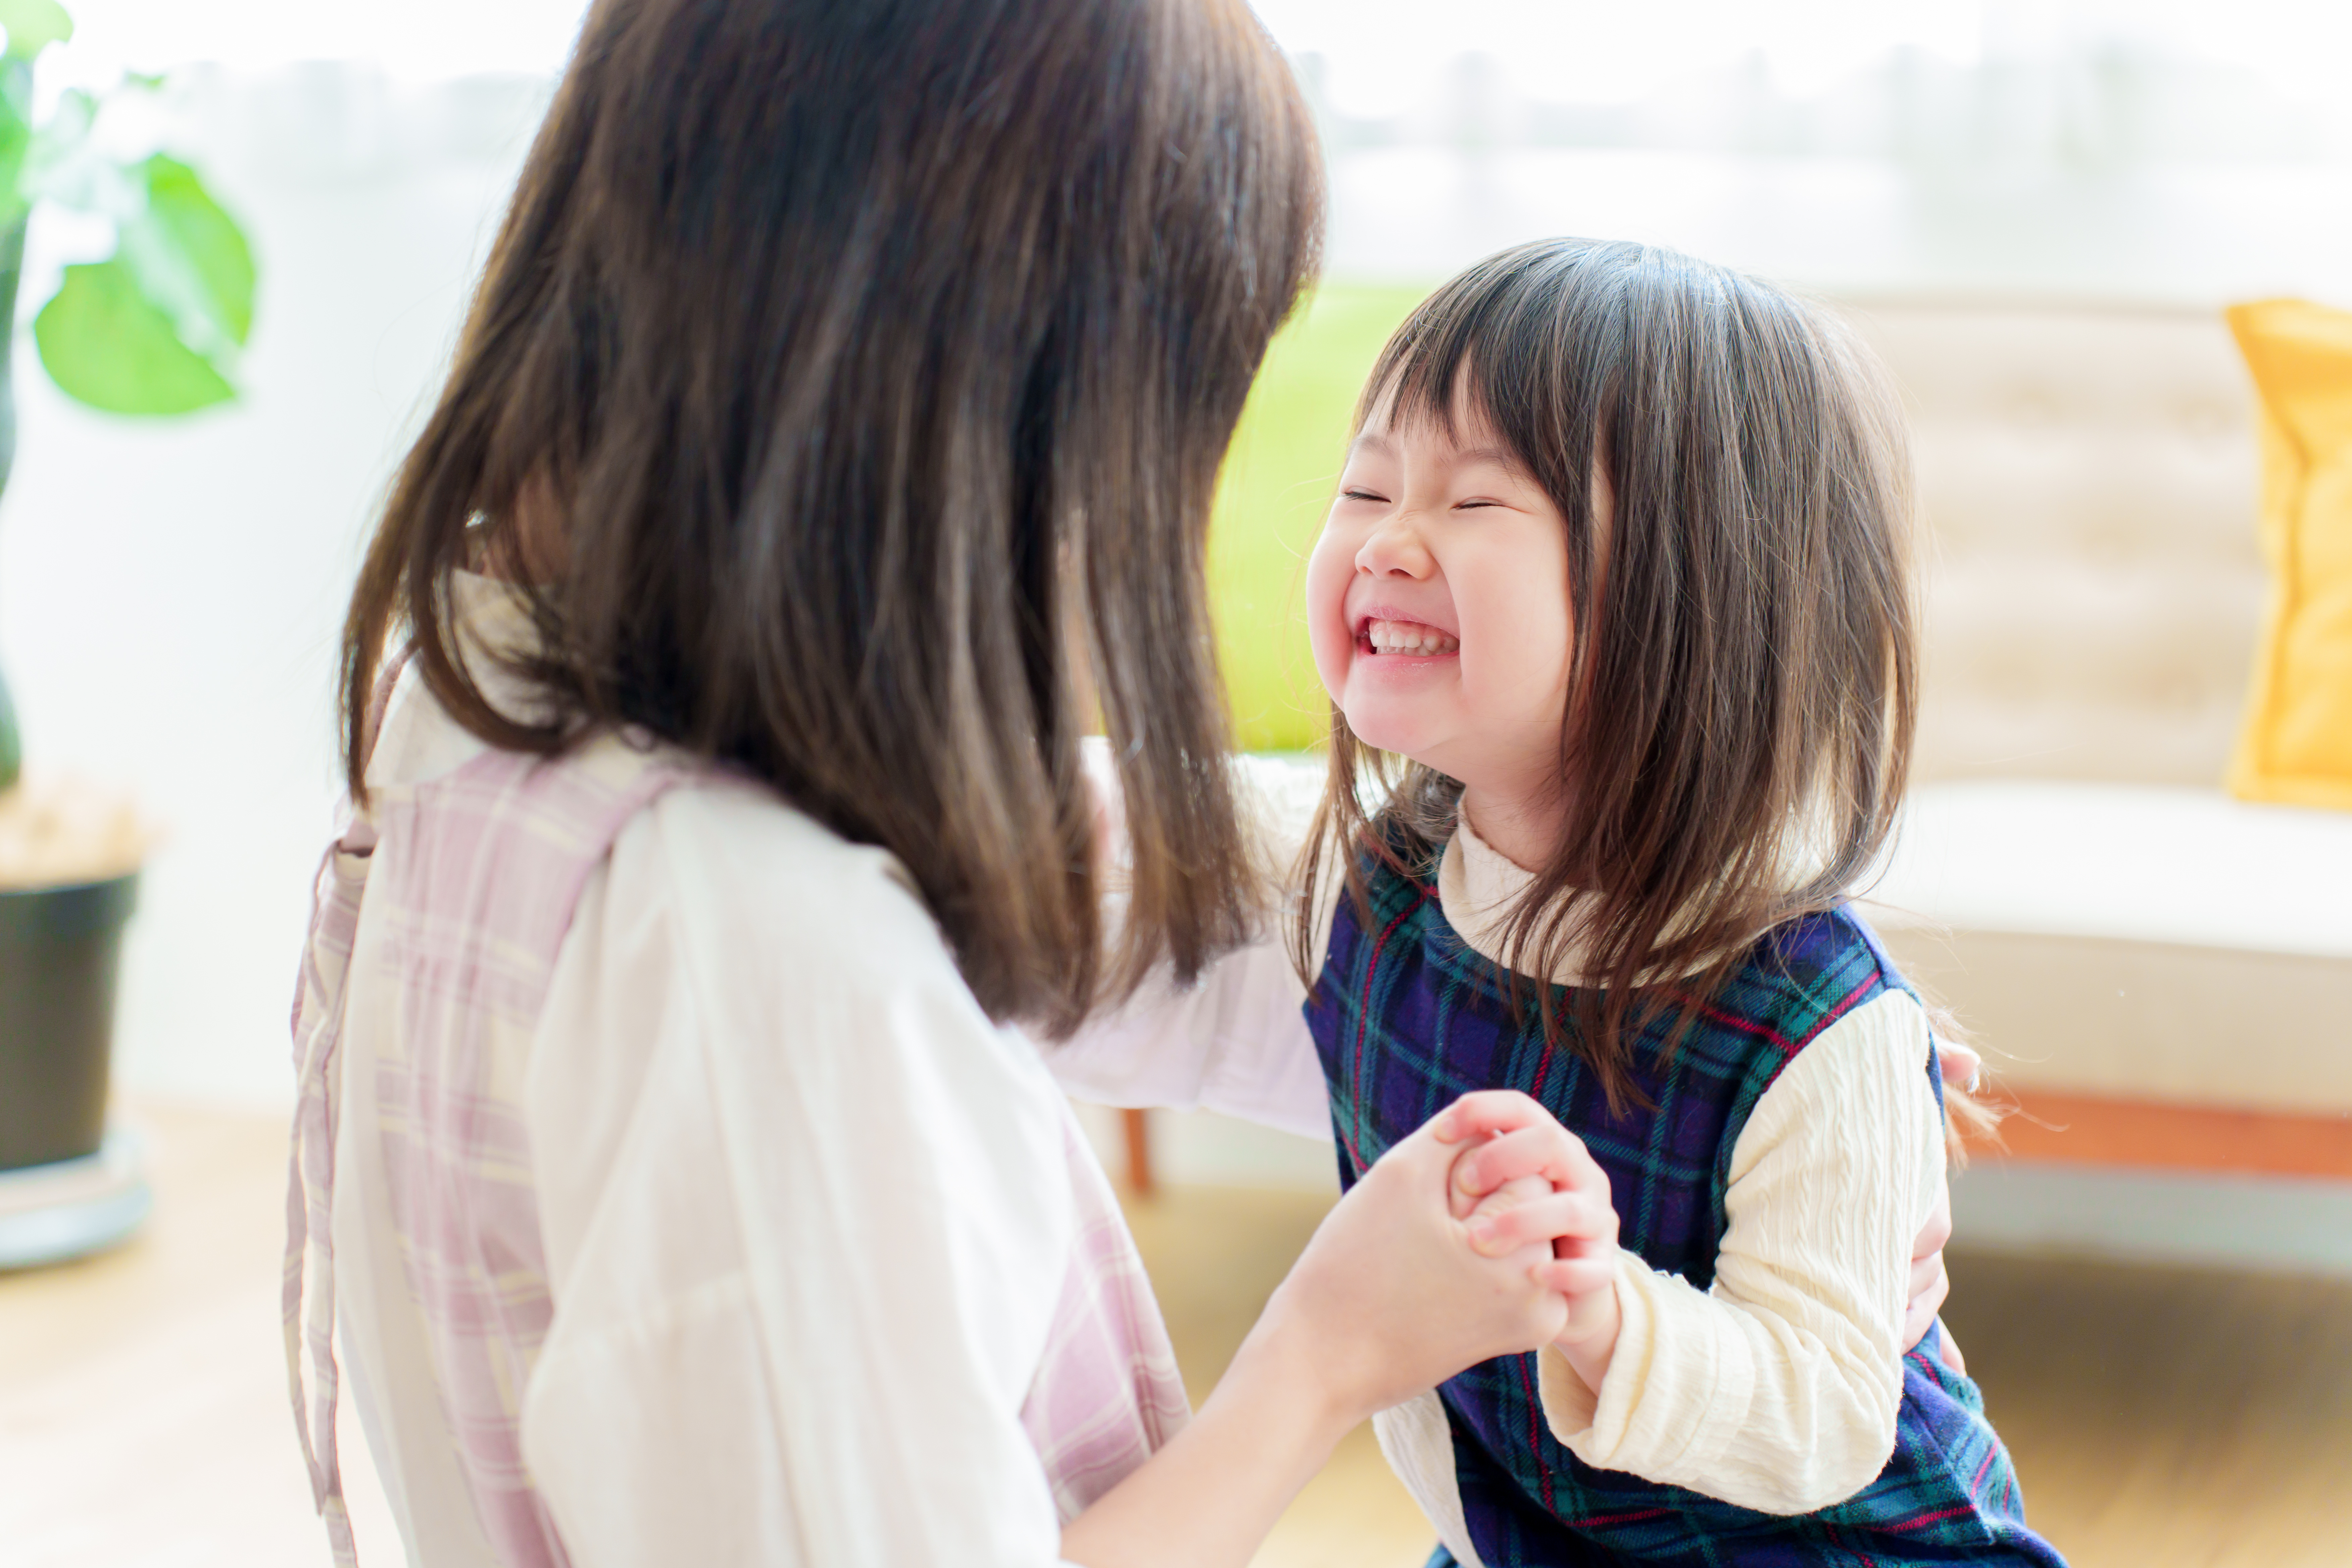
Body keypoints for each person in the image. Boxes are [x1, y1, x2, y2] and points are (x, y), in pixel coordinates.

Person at [284, 5, 1590, 1566]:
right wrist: (1324, 1355)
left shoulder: (481, 693)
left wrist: (1726, 981)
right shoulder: (767, 974)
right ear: (1014, 404)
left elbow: (1190, 902)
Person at [1053, 239, 2059, 1566]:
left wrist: (1591, 1309)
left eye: (1474, 505)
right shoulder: (1380, 881)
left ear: (1688, 593)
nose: (1387, 539)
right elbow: (1146, 847)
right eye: (1366, 485)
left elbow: (1821, 1413)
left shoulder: (1818, 1018)